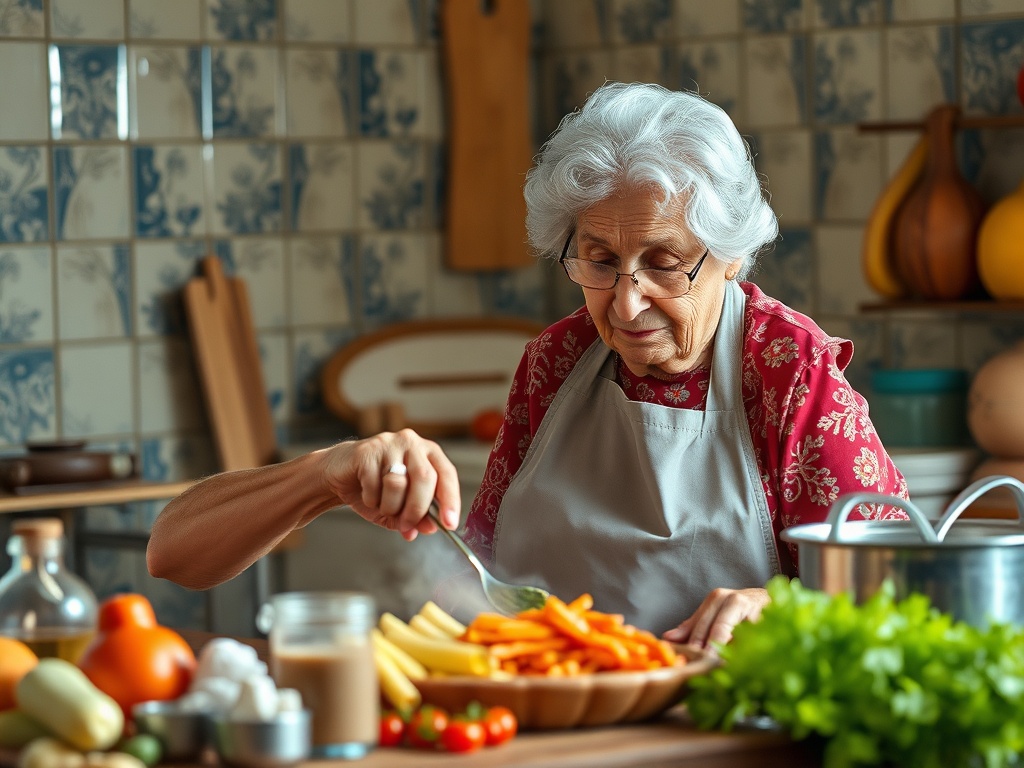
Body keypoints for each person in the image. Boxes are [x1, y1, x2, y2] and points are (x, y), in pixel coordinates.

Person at [148, 82, 907, 649]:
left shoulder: (786, 368)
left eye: (665, 263)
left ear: (731, 256)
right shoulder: (557, 361)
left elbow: (891, 595)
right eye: (600, 261)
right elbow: (482, 574)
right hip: (561, 725)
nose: (628, 301)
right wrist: (343, 475)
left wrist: (776, 608)